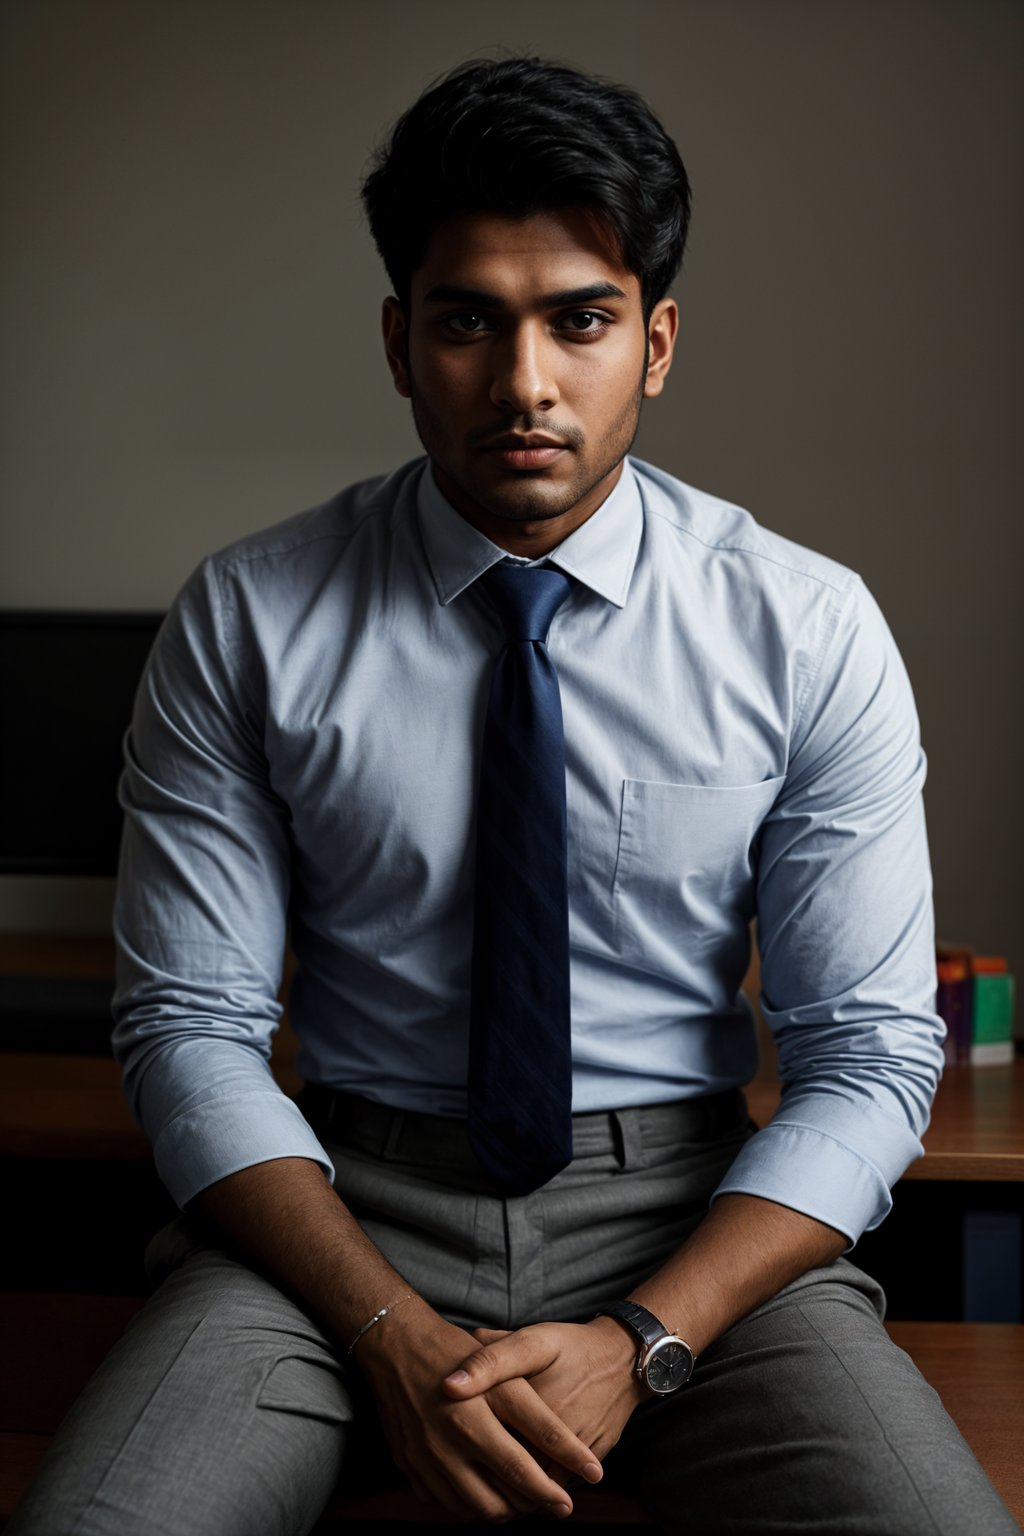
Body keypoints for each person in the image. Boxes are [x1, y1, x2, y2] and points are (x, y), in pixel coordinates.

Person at [10, 55, 1018, 1536]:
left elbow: (867, 1057)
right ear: (399, 342)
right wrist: (388, 1334)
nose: (525, 381)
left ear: (657, 343)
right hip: (339, 1213)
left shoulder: (801, 626)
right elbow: (188, 1028)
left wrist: (646, 1340)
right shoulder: (248, 618)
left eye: (581, 321)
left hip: (690, 1219)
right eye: (469, 320)